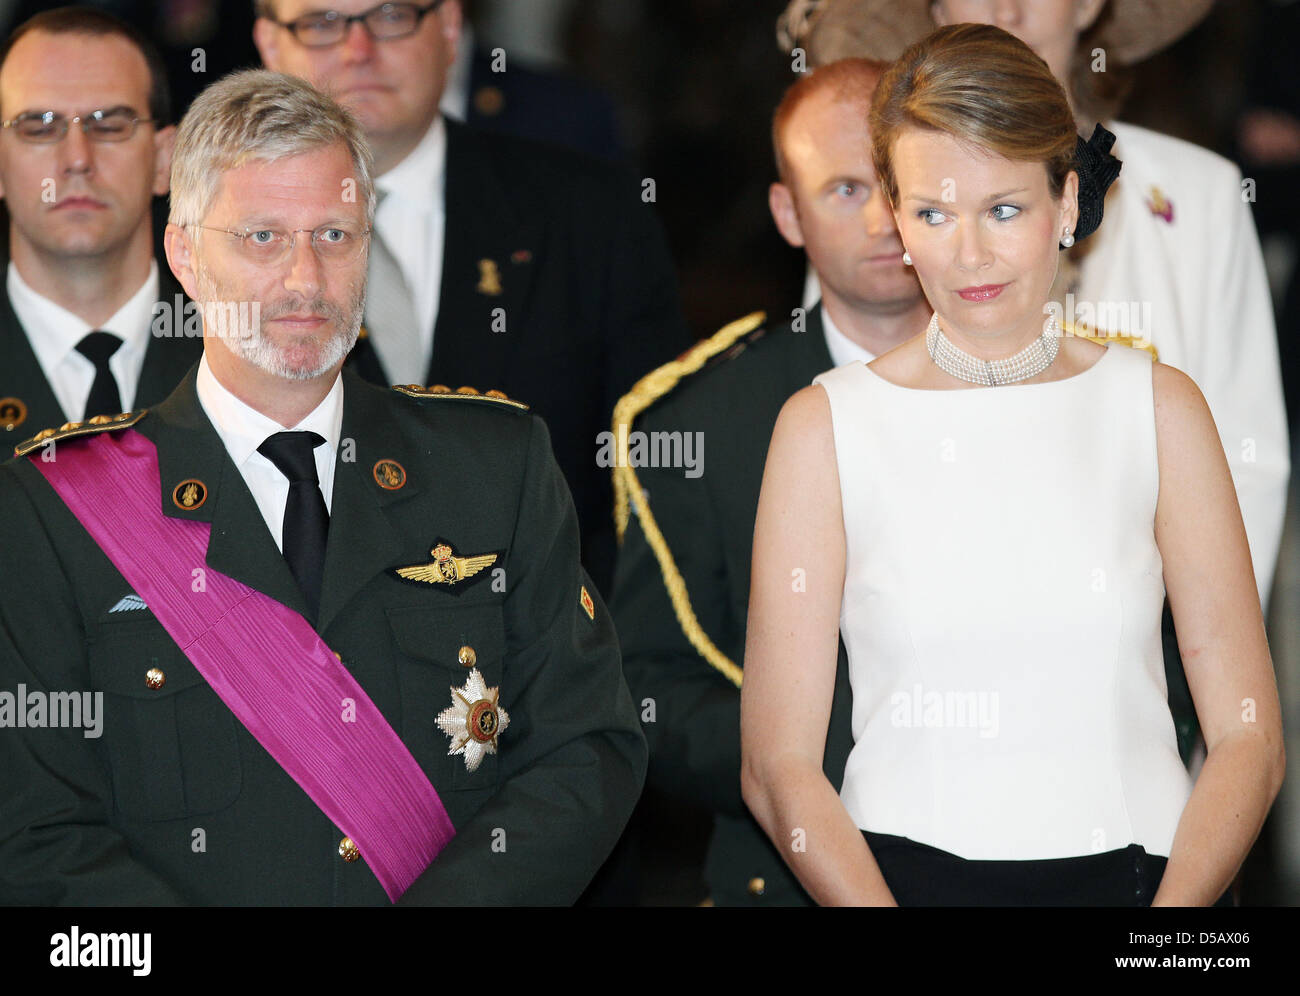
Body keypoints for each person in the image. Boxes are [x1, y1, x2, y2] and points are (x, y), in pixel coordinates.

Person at [0, 69, 645, 905]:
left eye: (335, 235)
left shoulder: (494, 467)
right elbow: (39, 832)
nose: (306, 279)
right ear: (185, 254)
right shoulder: (54, 512)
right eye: (263, 238)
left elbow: (587, 749)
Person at [741, 24, 1285, 906]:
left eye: (1003, 209)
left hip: (1144, 887)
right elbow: (778, 765)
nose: (970, 255)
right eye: (932, 213)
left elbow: (1250, 738)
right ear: (895, 214)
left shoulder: (1160, 408)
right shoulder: (822, 428)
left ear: (1067, 203)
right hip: (895, 882)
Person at [609, 58, 929, 905]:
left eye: (902, 183)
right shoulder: (694, 421)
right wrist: (826, 756)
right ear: (788, 213)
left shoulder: (1054, 379)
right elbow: (649, 690)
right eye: (845, 190)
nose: (886, 219)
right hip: (787, 872)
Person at [251, 0, 692, 596]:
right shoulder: (205, 236)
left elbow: (655, 489)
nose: (358, 50)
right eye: (322, 23)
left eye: (391, 16)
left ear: (451, 27)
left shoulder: (592, 215)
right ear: (269, 43)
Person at [0, 7, 200, 441]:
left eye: (109, 126)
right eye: (38, 128)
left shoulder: (246, 351)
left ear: (164, 159)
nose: (77, 159)